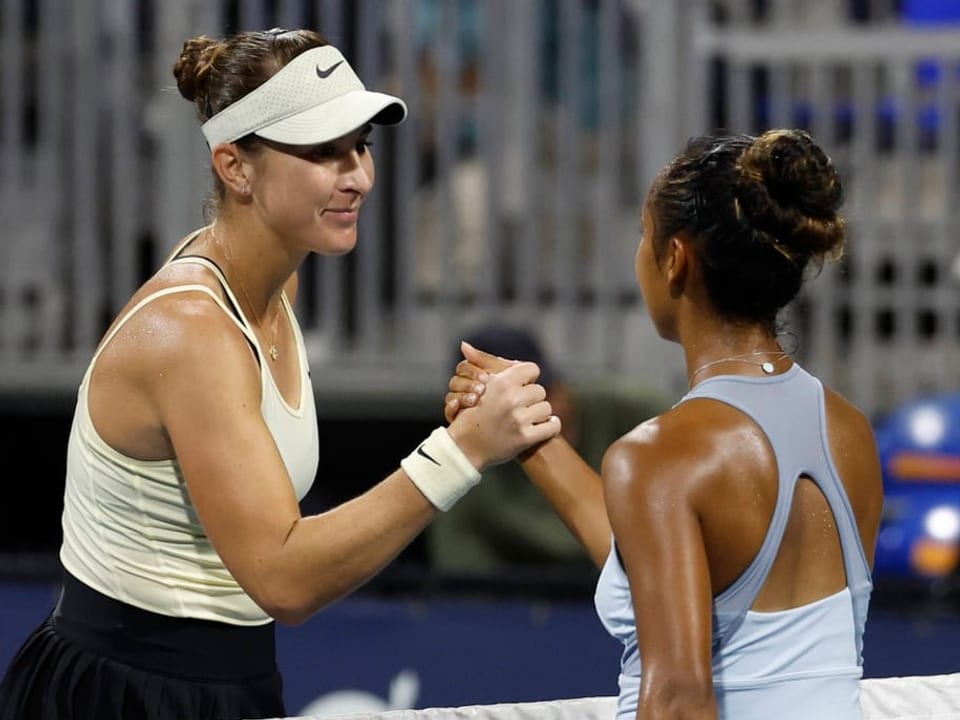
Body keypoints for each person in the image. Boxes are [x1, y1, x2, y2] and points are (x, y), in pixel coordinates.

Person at [0, 28, 560, 720]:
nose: (356, 174)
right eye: (323, 151)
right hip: (121, 696)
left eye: (361, 146)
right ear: (235, 168)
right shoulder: (192, 335)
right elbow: (284, 578)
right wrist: (464, 450)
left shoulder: (273, 290)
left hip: (226, 681)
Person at [446, 128, 884, 719]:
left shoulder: (661, 454)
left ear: (675, 260)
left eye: (642, 235)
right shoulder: (850, 430)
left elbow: (677, 702)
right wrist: (528, 431)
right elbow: (663, 563)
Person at [428, 322, 667, 580]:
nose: (535, 412)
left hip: (645, 578)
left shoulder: (632, 413)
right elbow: (460, 578)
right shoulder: (470, 464)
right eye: (509, 410)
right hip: (527, 602)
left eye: (541, 392)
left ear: (559, 383)